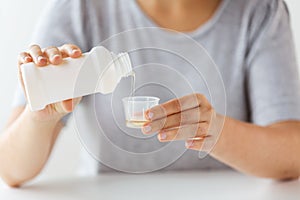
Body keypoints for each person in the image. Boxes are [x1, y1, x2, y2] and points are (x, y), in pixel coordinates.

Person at [1, 0, 300, 187]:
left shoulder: (260, 10)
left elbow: (292, 154)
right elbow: (10, 169)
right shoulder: (81, 8)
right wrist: (39, 117)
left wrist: (216, 132)